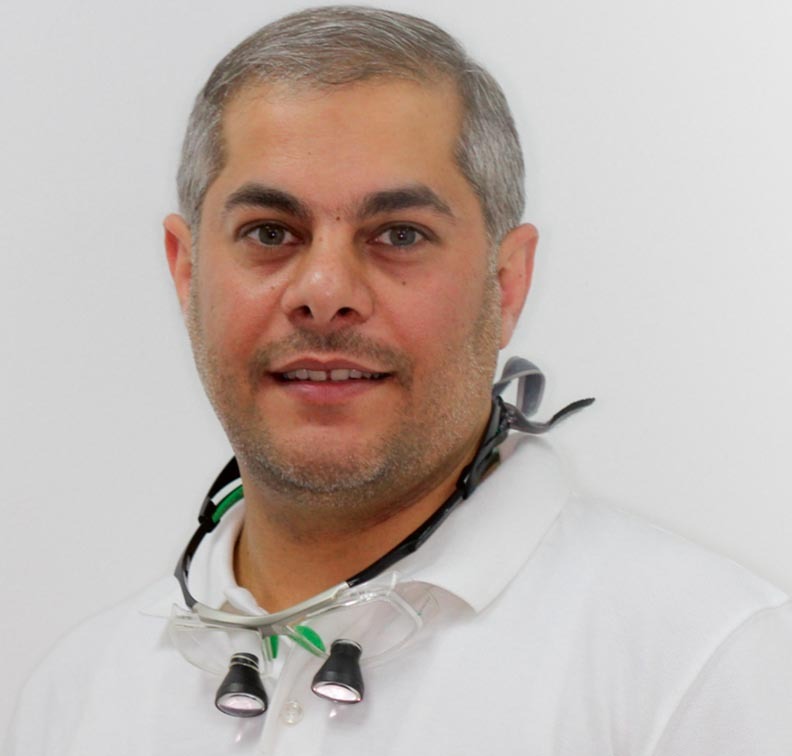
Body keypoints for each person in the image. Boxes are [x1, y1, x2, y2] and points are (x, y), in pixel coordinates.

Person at [5, 6, 792, 754]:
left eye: (400, 235)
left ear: (506, 283)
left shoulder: (708, 669)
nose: (325, 292)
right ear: (186, 274)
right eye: (270, 232)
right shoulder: (79, 698)